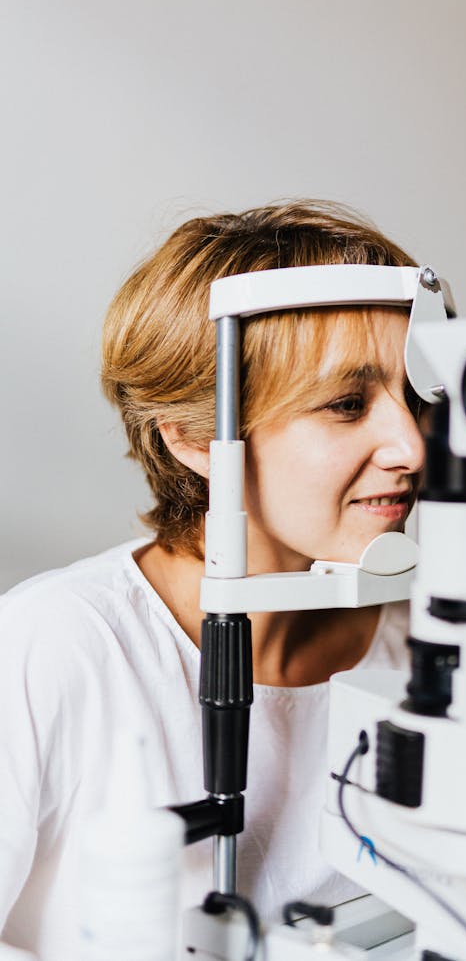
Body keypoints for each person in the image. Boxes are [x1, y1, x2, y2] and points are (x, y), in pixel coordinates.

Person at [0, 201, 426, 960]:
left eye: (414, 394)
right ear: (197, 438)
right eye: (347, 404)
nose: (411, 444)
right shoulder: (56, 646)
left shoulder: (424, 640)